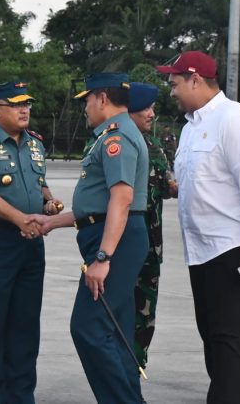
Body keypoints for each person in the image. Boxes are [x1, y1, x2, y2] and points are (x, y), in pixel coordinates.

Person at [155, 51, 240, 404]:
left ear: (195, 79)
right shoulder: (191, 127)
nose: (172, 91)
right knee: (212, 338)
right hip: (201, 253)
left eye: (175, 83)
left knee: (229, 342)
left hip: (232, 249)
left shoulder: (235, 119)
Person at [26, 72, 149, 404]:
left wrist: (103, 258)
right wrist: (53, 222)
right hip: (113, 235)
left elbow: (121, 200)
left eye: (88, 100)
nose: (85, 108)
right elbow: (97, 207)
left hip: (115, 243)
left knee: (89, 328)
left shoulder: (116, 138)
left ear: (102, 99)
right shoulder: (115, 134)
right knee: (115, 330)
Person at [0, 80, 62, 404]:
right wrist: (21, 219)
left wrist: (48, 202)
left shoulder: (35, 143)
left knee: (25, 326)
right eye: (16, 104)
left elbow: (39, 183)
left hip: (30, 245)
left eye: (27, 104)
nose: (24, 110)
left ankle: (21, 395)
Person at [127, 82, 176, 371]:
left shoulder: (155, 147)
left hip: (151, 249)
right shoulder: (116, 144)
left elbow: (169, 187)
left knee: (145, 316)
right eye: (146, 108)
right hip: (124, 247)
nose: (152, 114)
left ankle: (136, 370)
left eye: (153, 108)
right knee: (119, 314)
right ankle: (118, 377)